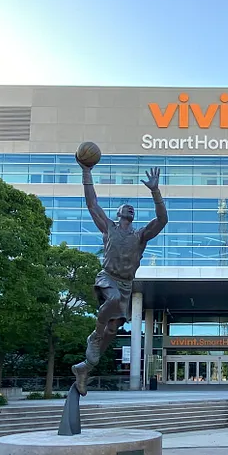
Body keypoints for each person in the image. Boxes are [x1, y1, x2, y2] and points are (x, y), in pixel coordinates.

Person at [71, 158, 168, 395]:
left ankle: (85, 368)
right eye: (126, 207)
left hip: (126, 284)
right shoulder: (109, 228)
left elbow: (162, 220)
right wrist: (86, 173)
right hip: (108, 277)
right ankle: (94, 335)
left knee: (112, 331)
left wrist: (155, 191)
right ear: (118, 213)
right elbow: (92, 203)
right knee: (111, 300)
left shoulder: (140, 236)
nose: (130, 209)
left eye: (132, 208)